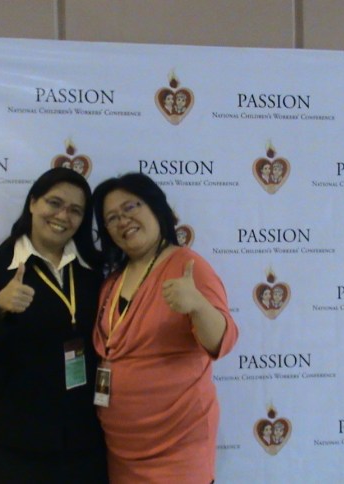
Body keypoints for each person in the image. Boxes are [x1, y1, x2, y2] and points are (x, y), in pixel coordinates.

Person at [0, 167, 108, 483]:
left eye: (75, 210)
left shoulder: (93, 272)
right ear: (33, 203)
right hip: (12, 440)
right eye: (54, 203)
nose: (63, 215)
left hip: (82, 438)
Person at [92, 172, 238, 484]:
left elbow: (221, 342)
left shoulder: (187, 266)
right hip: (121, 448)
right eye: (112, 218)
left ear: (157, 208)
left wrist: (198, 305)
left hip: (178, 445)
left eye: (131, 207)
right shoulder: (113, 280)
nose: (123, 220)